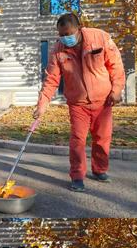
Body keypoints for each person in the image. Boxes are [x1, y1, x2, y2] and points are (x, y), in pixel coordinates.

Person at [34, 13, 126, 192]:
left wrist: (116, 90)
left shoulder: (100, 37)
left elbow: (116, 65)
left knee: (102, 138)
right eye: (61, 35)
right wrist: (42, 105)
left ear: (79, 28)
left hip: (103, 100)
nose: (64, 38)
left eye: (68, 33)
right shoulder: (58, 50)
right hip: (78, 103)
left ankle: (100, 170)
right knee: (77, 140)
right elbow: (52, 79)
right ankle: (77, 175)